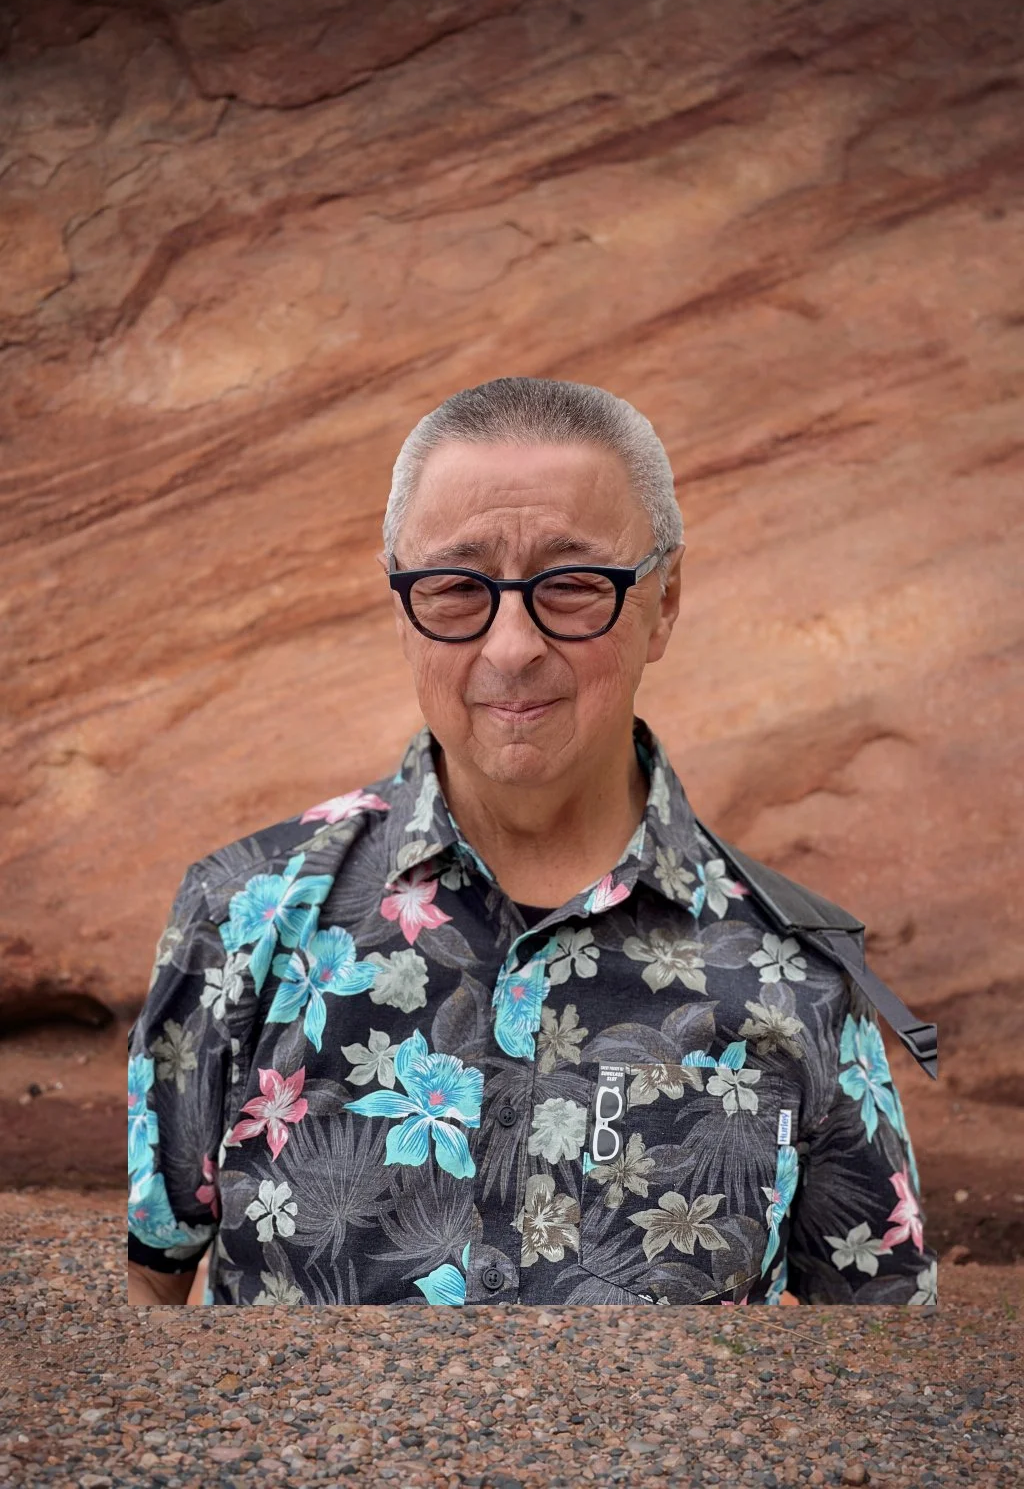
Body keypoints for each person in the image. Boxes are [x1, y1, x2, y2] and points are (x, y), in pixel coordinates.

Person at [127, 377, 937, 1306]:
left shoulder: (801, 977)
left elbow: (886, 1358)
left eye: (573, 585)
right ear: (401, 606)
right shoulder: (240, 919)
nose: (511, 647)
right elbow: (146, 1287)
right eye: (455, 588)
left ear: (664, 603)